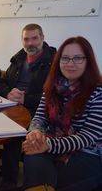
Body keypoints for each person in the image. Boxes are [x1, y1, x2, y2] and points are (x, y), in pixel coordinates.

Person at [23, 36, 102, 191]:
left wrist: (48, 145)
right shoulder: (52, 87)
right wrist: (35, 132)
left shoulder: (98, 92)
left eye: (78, 58)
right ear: (58, 61)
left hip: (88, 151)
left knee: (61, 178)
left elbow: (88, 136)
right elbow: (39, 117)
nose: (70, 63)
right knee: (32, 154)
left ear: (88, 61)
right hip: (55, 142)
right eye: (65, 58)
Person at [0, 24, 56, 190]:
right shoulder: (19, 58)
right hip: (12, 105)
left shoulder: (53, 61)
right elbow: (1, 82)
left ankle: (9, 181)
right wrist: (8, 93)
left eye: (34, 38)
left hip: (37, 110)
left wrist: (25, 99)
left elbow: (53, 94)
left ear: (43, 38)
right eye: (26, 39)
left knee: (13, 133)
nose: (30, 43)